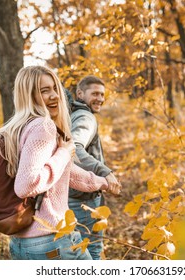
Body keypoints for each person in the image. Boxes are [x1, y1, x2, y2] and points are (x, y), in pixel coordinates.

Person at [0, 66, 118, 260]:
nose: (55, 96)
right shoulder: (42, 127)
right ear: (28, 95)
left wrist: (104, 182)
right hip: (52, 239)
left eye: (55, 89)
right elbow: (26, 185)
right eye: (45, 91)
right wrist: (64, 152)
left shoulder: (18, 128)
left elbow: (68, 173)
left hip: (23, 240)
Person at [68, 75, 122, 260]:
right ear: (80, 93)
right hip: (83, 199)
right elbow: (73, 148)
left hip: (71, 195)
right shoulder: (85, 116)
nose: (100, 98)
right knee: (92, 251)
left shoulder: (72, 114)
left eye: (102, 94)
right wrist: (105, 172)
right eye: (95, 93)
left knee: (77, 251)